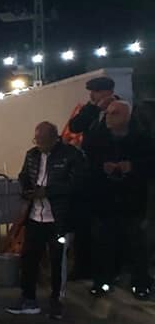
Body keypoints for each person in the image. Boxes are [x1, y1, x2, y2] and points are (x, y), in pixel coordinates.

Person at [6, 122, 85, 319]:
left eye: (42, 140)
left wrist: (48, 192)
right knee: (29, 258)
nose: (39, 144)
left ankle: (57, 300)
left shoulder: (70, 155)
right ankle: (28, 298)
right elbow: (24, 175)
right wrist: (27, 190)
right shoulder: (32, 155)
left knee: (58, 261)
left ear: (54, 138)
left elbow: (76, 184)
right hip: (35, 216)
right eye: (37, 140)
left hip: (59, 218)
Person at [84, 102, 152, 299]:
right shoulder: (98, 138)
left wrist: (132, 167)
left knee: (136, 243)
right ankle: (102, 281)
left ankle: (141, 283)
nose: (109, 117)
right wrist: (102, 167)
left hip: (132, 199)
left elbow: (150, 164)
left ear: (127, 117)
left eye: (115, 113)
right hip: (105, 198)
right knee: (104, 242)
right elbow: (87, 163)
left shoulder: (142, 139)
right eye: (108, 113)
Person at [65, 76, 122, 279]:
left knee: (107, 225)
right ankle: (83, 266)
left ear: (107, 92)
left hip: (108, 176)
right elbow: (75, 126)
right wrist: (93, 108)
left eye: (96, 92)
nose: (92, 95)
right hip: (89, 174)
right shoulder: (91, 110)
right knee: (83, 223)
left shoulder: (119, 109)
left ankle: (110, 269)